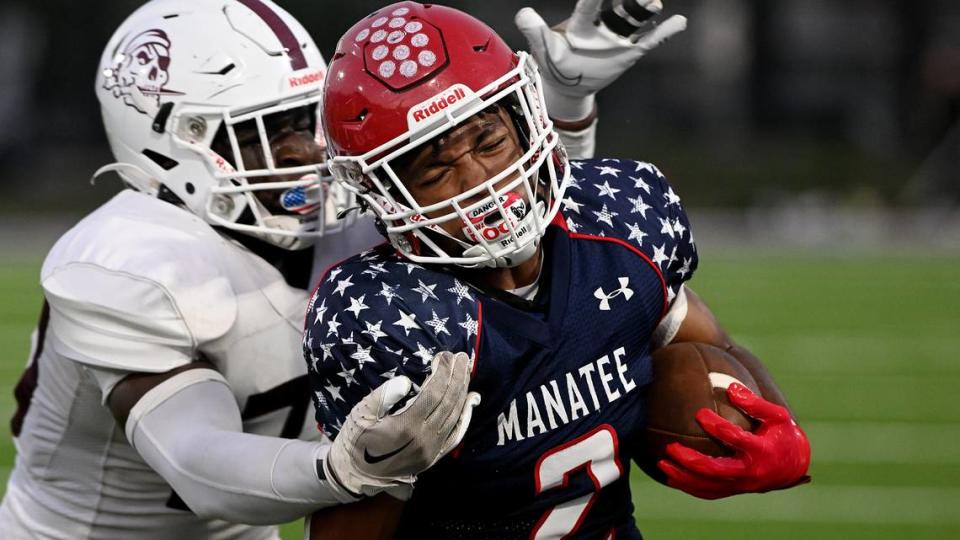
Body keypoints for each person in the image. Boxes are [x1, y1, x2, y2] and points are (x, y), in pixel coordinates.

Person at [303, 1, 812, 538]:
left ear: (526, 123)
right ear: (381, 195)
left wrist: (780, 434)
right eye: (436, 168)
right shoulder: (392, 318)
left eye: (491, 142)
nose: (481, 179)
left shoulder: (617, 226)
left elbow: (713, 350)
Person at [0, 1, 478, 538]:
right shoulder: (130, 260)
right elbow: (193, 460)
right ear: (169, 147)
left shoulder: (352, 225)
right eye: (264, 134)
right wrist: (342, 468)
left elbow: (518, 244)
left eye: (306, 122)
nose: (303, 153)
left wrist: (569, 110)